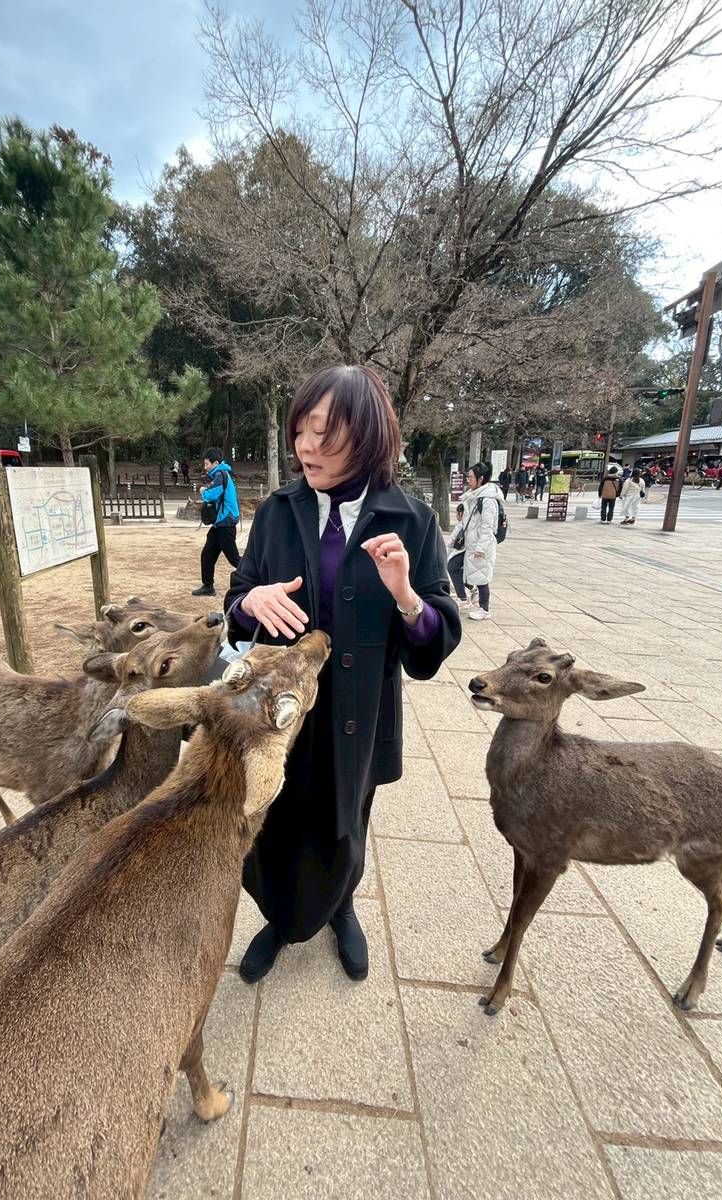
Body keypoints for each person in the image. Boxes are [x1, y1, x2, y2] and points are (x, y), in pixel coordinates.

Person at [225, 364, 461, 983]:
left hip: (361, 711)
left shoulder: (412, 521)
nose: (305, 446)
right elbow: (238, 595)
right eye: (300, 430)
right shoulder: (278, 511)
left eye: (323, 432)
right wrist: (250, 602)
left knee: (346, 820)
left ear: (367, 435)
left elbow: (434, 639)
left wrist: (406, 596)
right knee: (273, 820)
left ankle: (342, 907)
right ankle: (280, 918)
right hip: (278, 711)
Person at [446, 462, 505, 622]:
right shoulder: (472, 497)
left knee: (481, 576)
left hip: (481, 545)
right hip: (469, 543)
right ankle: (464, 598)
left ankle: (484, 609)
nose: (468, 480)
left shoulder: (488, 500)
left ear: (481, 479)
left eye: (471, 477)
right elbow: (463, 523)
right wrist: (453, 539)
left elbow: (488, 527)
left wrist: (481, 548)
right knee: (452, 566)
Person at [191, 448, 241, 597]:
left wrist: (203, 491)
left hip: (225, 523)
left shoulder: (220, 475)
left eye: (207, 464)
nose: (205, 467)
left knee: (234, 558)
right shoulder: (221, 475)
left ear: (216, 463)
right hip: (220, 524)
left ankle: (259, 576)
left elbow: (211, 494)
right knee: (207, 554)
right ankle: (208, 586)